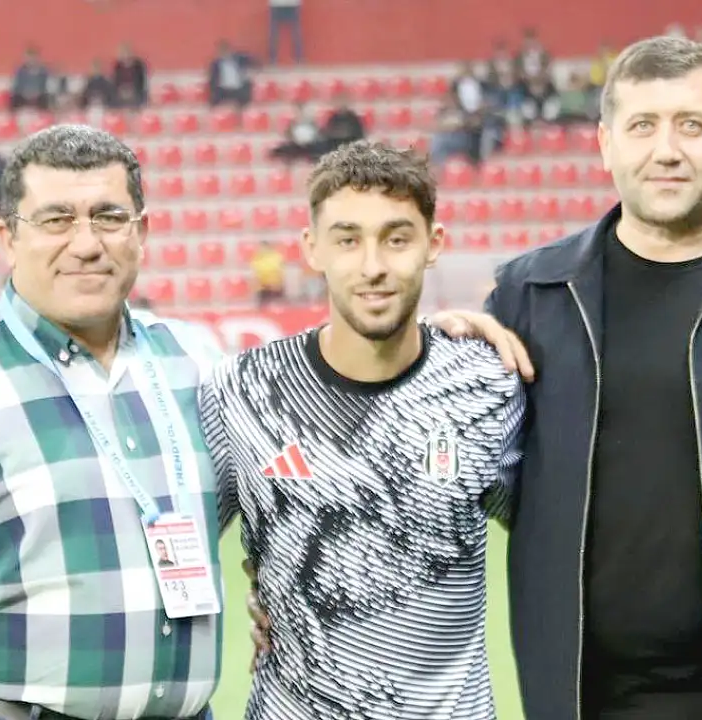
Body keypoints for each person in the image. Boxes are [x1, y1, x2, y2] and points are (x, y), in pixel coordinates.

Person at [250, 34, 702, 720]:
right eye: (642, 126)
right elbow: (408, 476)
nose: (666, 150)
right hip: (585, 701)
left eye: (691, 125)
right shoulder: (533, 296)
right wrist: (278, 590)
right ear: (605, 145)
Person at [200, 141, 524, 719]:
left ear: (434, 244)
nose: (373, 266)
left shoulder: (487, 386)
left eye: (396, 239)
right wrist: (273, 587)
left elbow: (568, 538)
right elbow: (174, 546)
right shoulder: (241, 391)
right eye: (348, 240)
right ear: (312, 248)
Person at [0, 125, 222, 720]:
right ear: (8, 239)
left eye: (109, 217)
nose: (86, 244)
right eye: (56, 219)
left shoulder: (195, 363)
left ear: (142, 232)